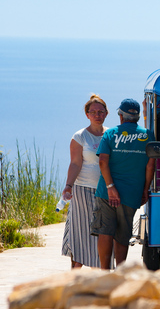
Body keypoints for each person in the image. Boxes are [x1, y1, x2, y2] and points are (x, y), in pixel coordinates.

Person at [91, 98, 155, 269]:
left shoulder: (110, 134)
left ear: (120, 116)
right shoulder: (148, 135)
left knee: (105, 231)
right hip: (131, 193)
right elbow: (150, 165)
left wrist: (111, 187)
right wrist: (145, 189)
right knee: (123, 234)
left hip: (106, 192)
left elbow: (103, 162)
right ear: (138, 117)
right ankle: (121, 273)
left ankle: (104, 272)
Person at [61, 94, 108, 269]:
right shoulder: (80, 136)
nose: (97, 115)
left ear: (106, 113)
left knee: (102, 233)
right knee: (81, 233)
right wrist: (68, 186)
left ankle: (100, 275)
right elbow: (75, 163)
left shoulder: (111, 135)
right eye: (93, 112)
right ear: (87, 114)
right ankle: (75, 277)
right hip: (83, 190)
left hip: (105, 191)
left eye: (100, 111)